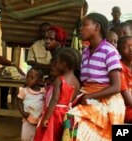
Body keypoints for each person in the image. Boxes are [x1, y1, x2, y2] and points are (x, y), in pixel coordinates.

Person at [61, 13, 125, 141]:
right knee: (67, 120)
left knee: (72, 119)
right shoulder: (85, 52)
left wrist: (89, 96)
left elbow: (116, 87)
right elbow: (83, 82)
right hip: (88, 96)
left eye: (85, 25)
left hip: (107, 101)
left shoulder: (110, 51)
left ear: (97, 27)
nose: (80, 28)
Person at [34, 47, 81, 141]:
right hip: (67, 114)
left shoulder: (59, 80)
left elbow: (54, 100)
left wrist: (46, 118)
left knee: (49, 136)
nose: (54, 65)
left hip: (55, 114)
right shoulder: (77, 82)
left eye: (56, 62)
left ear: (63, 64)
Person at [17, 67, 45, 141]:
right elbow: (19, 102)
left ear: (39, 80)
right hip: (28, 118)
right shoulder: (24, 91)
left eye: (32, 78)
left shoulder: (44, 92)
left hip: (39, 119)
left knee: (36, 137)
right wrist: (24, 113)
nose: (29, 79)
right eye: (28, 77)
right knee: (25, 138)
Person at [117, 36, 132, 123]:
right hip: (125, 110)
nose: (131, 50)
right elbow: (129, 101)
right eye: (125, 47)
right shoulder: (118, 67)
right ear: (119, 51)